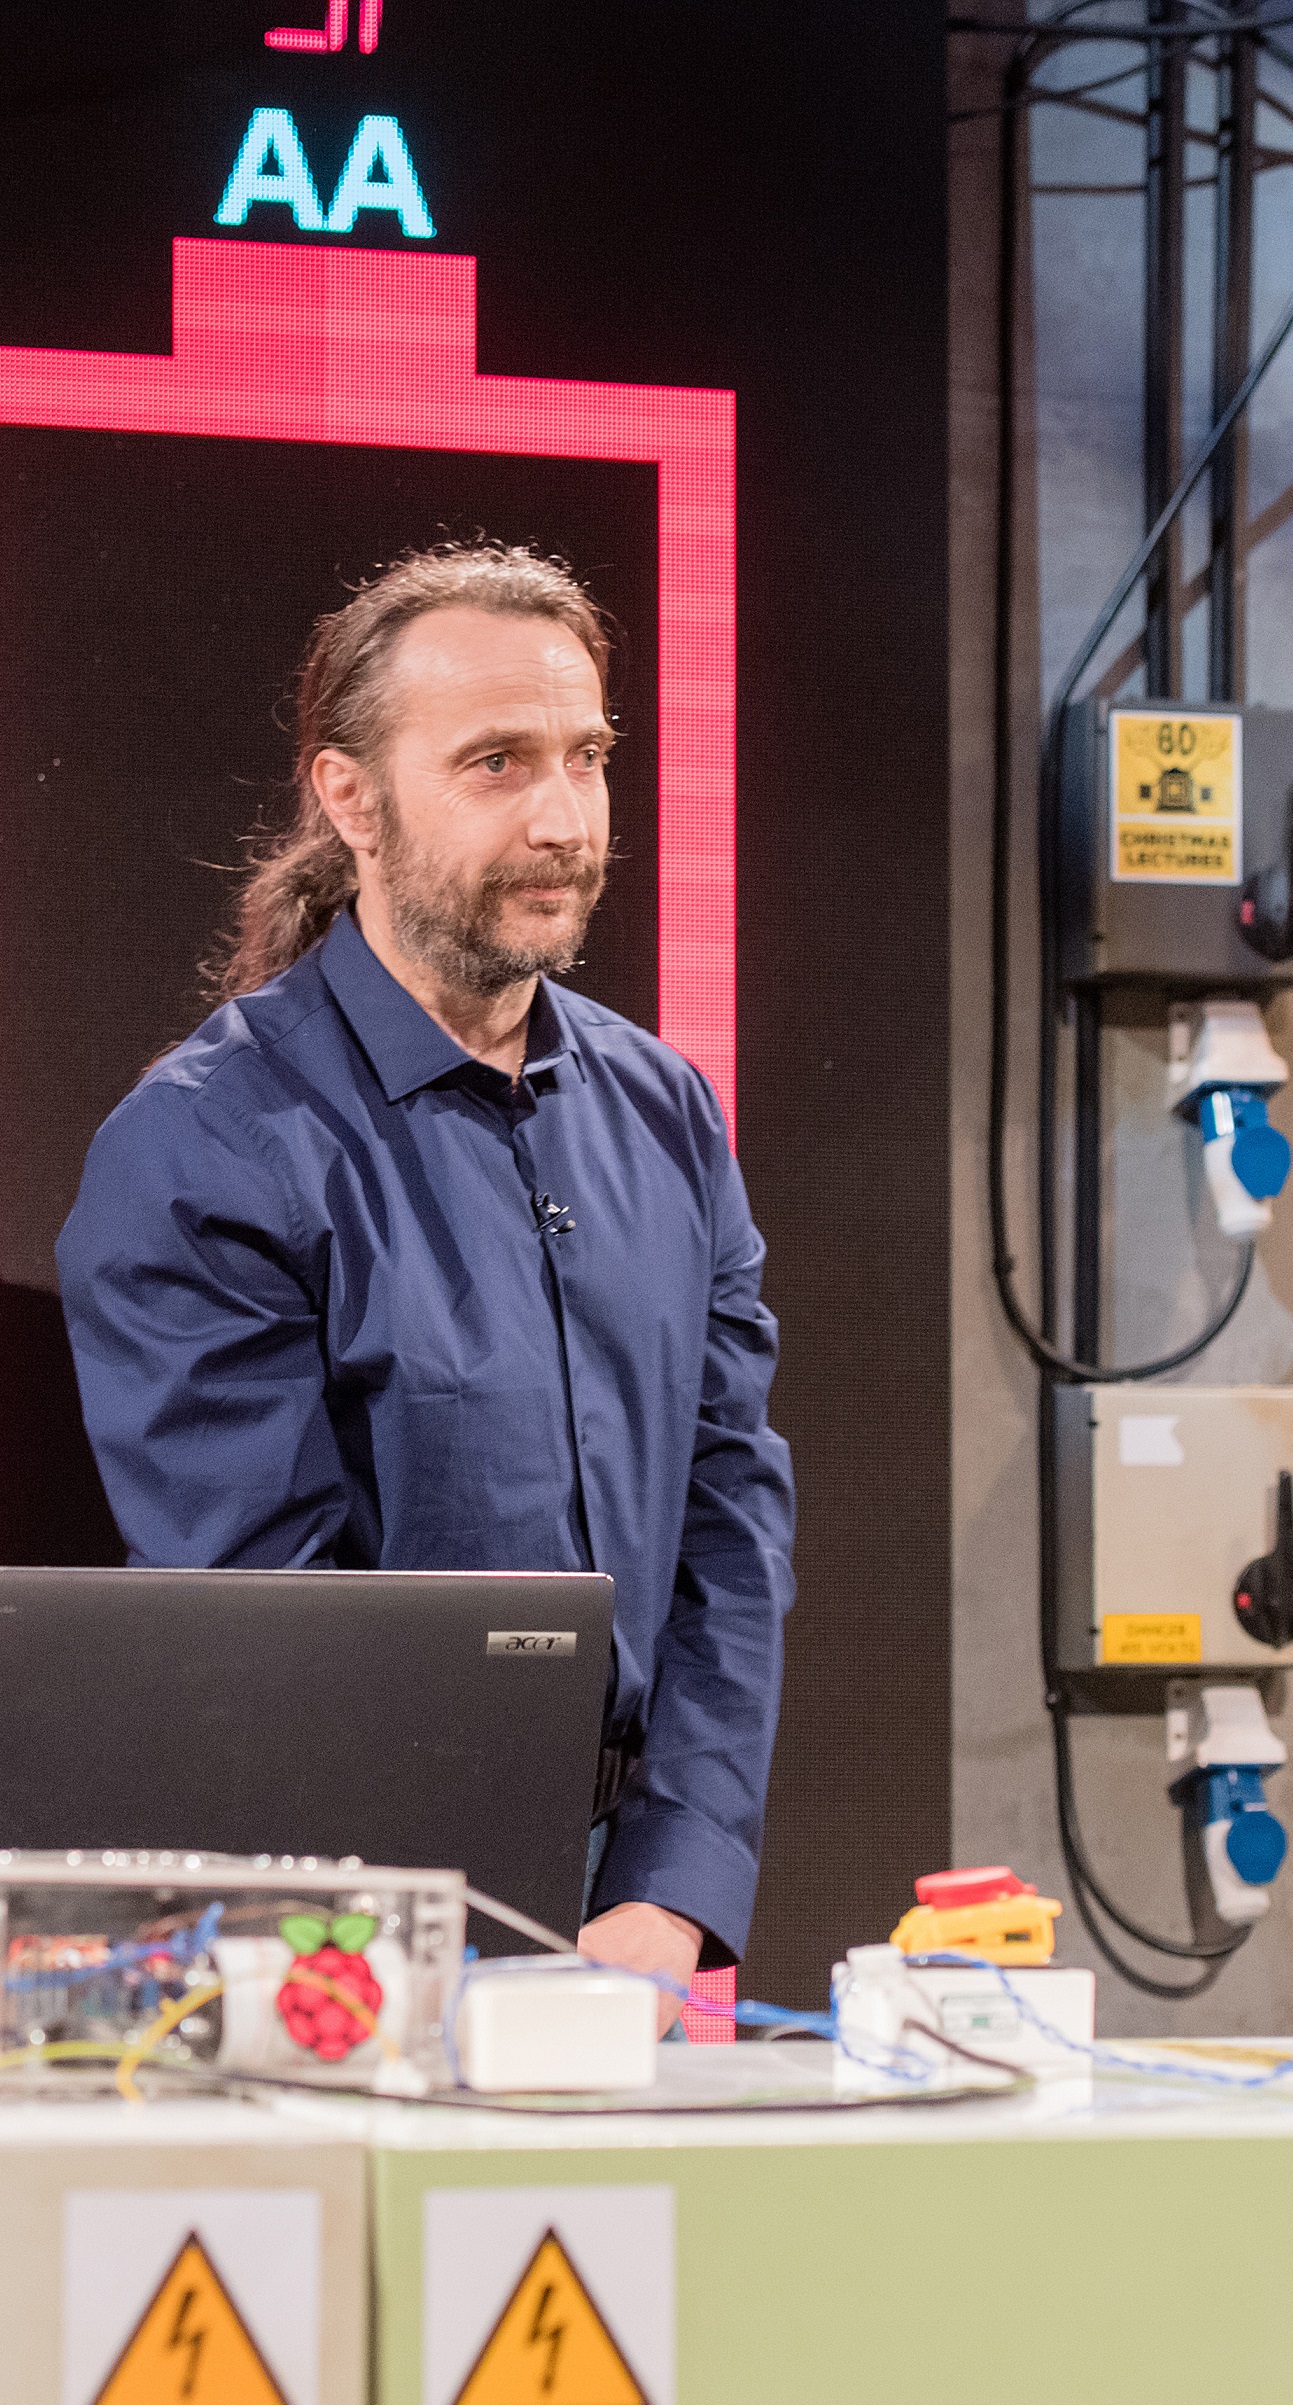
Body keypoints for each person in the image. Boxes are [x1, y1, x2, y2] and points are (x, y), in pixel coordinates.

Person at [56, 542, 795, 2024]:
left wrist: (669, 1892)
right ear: (350, 799)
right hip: (343, 1936)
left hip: (626, 1926)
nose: (562, 818)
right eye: (496, 763)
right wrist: (463, 1958)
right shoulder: (206, 1142)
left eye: (587, 758)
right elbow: (262, 1620)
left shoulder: (665, 1109)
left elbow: (729, 1513)